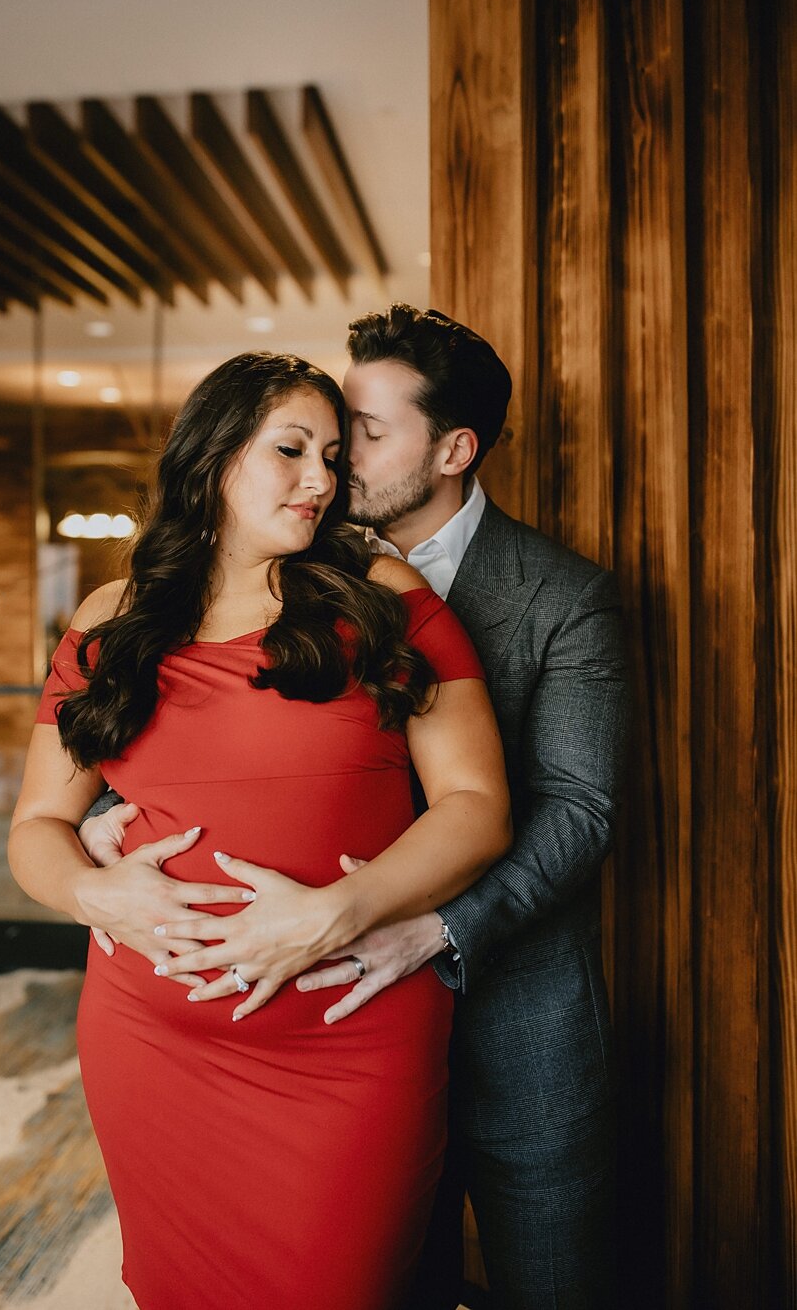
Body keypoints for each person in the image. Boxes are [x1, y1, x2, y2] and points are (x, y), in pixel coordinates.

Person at [82, 307, 629, 1310]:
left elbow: (578, 813)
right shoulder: (277, 576)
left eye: (361, 436)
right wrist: (102, 825)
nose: (332, 465)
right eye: (318, 438)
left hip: (504, 1002)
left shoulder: (561, 593)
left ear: (454, 449)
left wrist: (419, 925)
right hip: (306, 1020)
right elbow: (201, 738)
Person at [8, 350, 511, 1310]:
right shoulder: (112, 620)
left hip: (345, 1040)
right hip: (149, 1042)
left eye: (332, 454)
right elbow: (37, 824)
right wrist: (87, 888)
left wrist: (337, 911)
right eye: (291, 450)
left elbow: (478, 808)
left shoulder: (382, 590)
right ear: (213, 457)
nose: (323, 479)